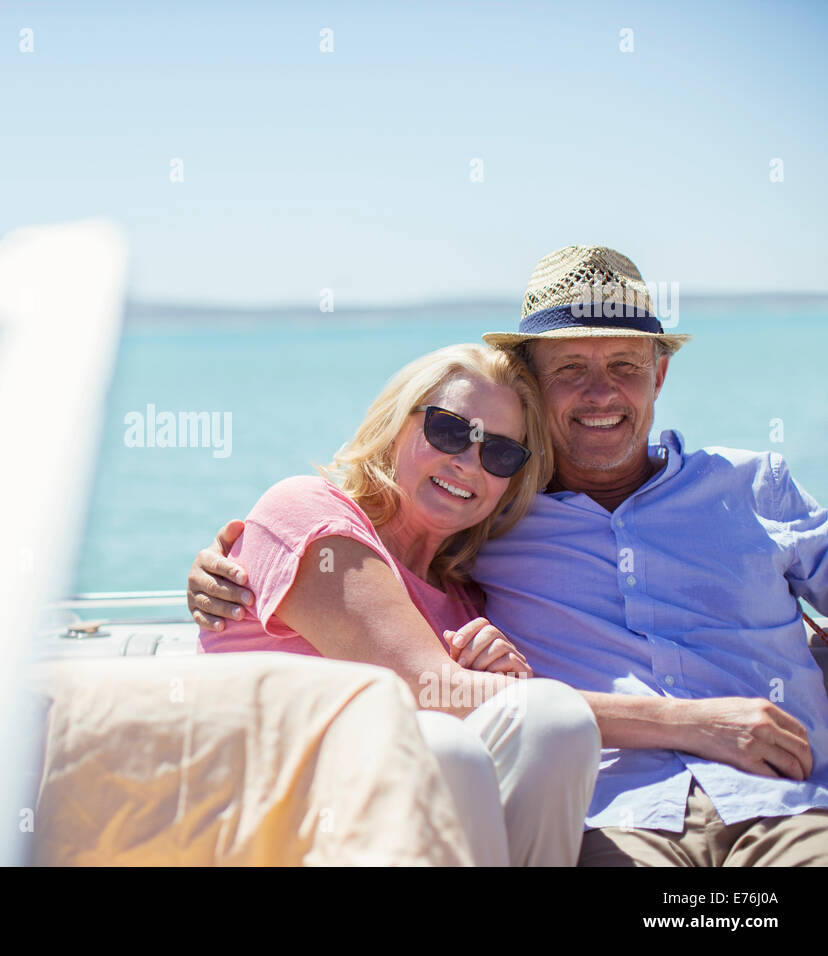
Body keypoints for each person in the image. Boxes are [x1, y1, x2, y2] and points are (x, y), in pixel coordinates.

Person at [189, 245, 828, 866]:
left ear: (658, 374)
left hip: (789, 805)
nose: (601, 394)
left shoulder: (477, 565)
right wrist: (697, 722)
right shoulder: (478, 530)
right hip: (615, 819)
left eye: (626, 366)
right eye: (570, 369)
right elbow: (427, 679)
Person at [196, 341, 601, 867]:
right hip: (270, 831)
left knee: (546, 724)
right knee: (450, 744)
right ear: (394, 422)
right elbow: (424, 686)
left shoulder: (467, 601)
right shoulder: (306, 512)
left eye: (499, 453)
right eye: (450, 431)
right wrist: (689, 724)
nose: (467, 462)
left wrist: (510, 682)